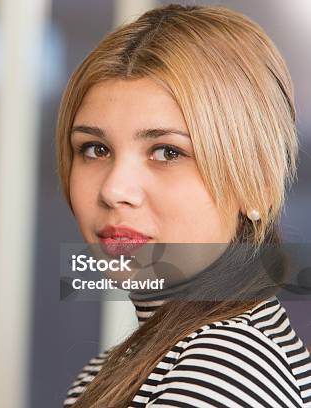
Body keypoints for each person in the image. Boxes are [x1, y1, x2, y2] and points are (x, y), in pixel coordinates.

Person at [56, 4, 311, 407]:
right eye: (96, 148)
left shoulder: (226, 369)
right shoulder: (113, 370)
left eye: (167, 152)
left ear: (256, 185)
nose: (114, 189)